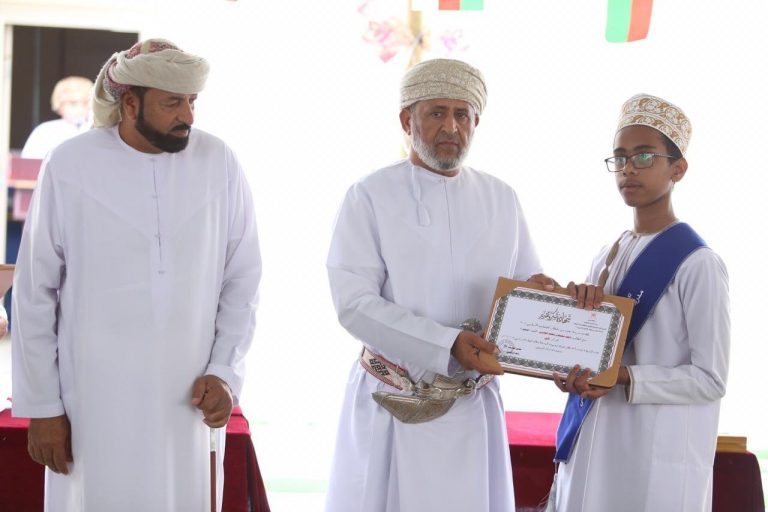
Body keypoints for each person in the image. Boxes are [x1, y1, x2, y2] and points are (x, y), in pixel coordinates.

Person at [11, 38, 262, 511]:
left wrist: (224, 371)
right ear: (129, 103)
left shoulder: (218, 161)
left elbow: (242, 278)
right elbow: (34, 291)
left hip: (187, 398)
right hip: (91, 401)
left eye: (192, 101)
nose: (187, 115)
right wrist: (42, 405)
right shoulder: (70, 163)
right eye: (172, 103)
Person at [324, 58, 556, 511]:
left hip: (473, 412)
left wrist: (545, 301)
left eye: (462, 114)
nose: (451, 127)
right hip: (394, 403)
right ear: (406, 120)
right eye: (437, 113)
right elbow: (353, 304)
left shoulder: (502, 198)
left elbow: (525, 289)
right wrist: (446, 345)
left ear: (476, 123)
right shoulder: (369, 195)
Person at [550, 94, 730, 511]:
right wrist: (568, 366)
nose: (629, 168)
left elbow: (710, 378)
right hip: (594, 443)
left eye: (645, 156)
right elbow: (592, 354)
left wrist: (625, 377)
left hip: (654, 452)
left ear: (678, 169)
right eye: (620, 158)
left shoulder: (698, 263)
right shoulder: (607, 255)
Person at [21, 76, 93, 159]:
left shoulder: (99, 131)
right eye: (73, 103)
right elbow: (29, 163)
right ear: (59, 104)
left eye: (87, 103)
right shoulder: (44, 132)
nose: (82, 108)